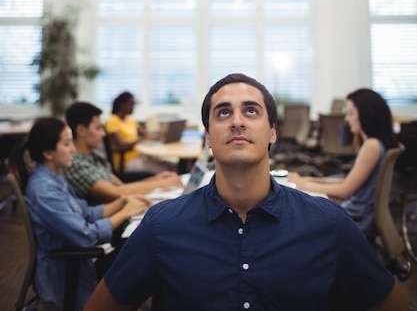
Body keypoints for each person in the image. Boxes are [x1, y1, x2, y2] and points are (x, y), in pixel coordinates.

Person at [84, 74, 409, 311]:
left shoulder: (330, 226)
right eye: (223, 112)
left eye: (251, 111)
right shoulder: (160, 227)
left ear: (272, 132)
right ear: (208, 137)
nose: (237, 121)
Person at [8, 116, 150, 311]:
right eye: (67, 144)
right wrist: (125, 212)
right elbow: (85, 235)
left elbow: (86, 212)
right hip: (70, 273)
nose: (73, 149)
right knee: (143, 251)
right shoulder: (45, 191)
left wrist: (122, 202)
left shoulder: (53, 178)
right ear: (49, 152)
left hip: (78, 264)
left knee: (139, 249)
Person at [288, 88, 398, 237]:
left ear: (366, 115)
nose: (346, 119)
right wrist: (310, 179)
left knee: (294, 217)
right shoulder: (374, 144)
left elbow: (345, 190)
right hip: (355, 216)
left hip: (355, 221)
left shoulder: (372, 146)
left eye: (351, 113)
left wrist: (302, 185)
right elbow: (348, 181)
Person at [63, 101, 183, 203]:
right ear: (81, 130)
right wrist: (161, 184)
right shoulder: (76, 163)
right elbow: (115, 192)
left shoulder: (94, 158)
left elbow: (122, 187)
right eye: (98, 128)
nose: (103, 134)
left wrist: (157, 179)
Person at [105, 91, 172, 174]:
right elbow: (121, 145)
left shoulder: (129, 119)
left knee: (170, 165)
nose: (133, 108)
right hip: (126, 162)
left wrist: (161, 136)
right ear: (122, 105)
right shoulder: (112, 121)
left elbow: (145, 135)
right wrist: (139, 140)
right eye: (131, 104)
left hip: (138, 157)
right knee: (164, 170)